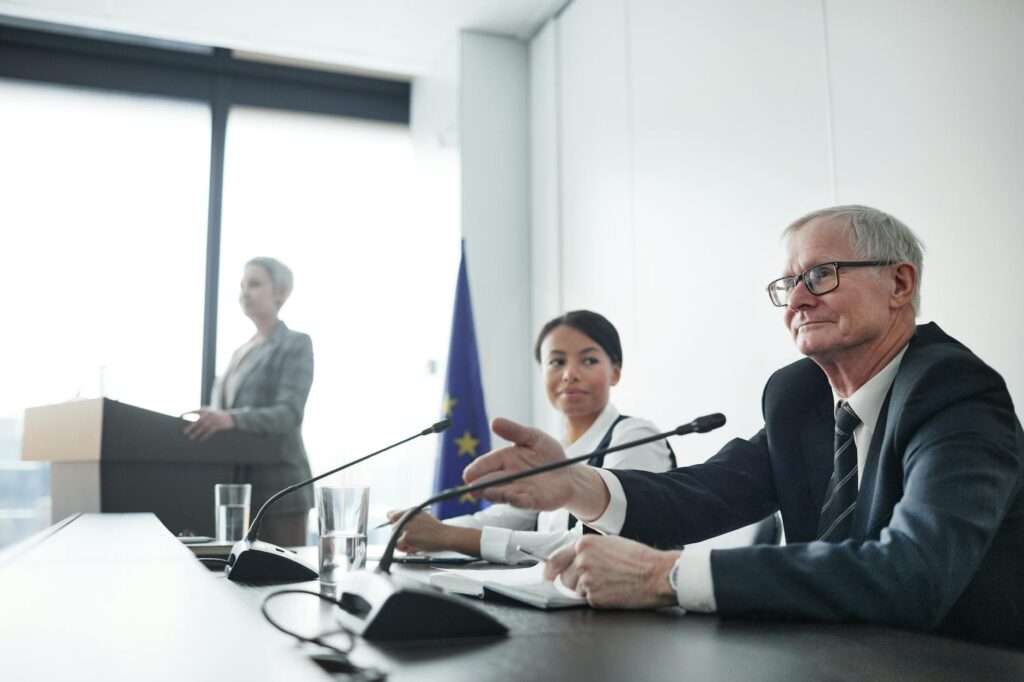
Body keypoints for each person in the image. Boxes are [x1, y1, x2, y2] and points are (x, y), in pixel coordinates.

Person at [464, 206, 1024, 648]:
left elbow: (912, 573)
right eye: (787, 285)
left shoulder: (955, 392)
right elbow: (708, 491)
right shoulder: (800, 395)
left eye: (821, 276)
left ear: (900, 284)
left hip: (954, 661)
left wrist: (666, 576)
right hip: (829, 654)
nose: (797, 300)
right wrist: (577, 485)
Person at [389, 310, 675, 563]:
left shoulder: (636, 436)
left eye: (588, 360)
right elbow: (504, 518)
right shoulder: (555, 450)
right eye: (556, 362)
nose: (569, 374)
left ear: (615, 372)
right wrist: (423, 526)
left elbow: (594, 547)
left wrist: (448, 536)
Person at [185, 257, 315, 547]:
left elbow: (288, 413)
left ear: (282, 292)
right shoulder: (239, 353)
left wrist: (229, 418)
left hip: (280, 492)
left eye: (254, 284)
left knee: (283, 582)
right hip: (235, 493)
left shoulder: (295, 344)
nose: (245, 292)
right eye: (242, 285)